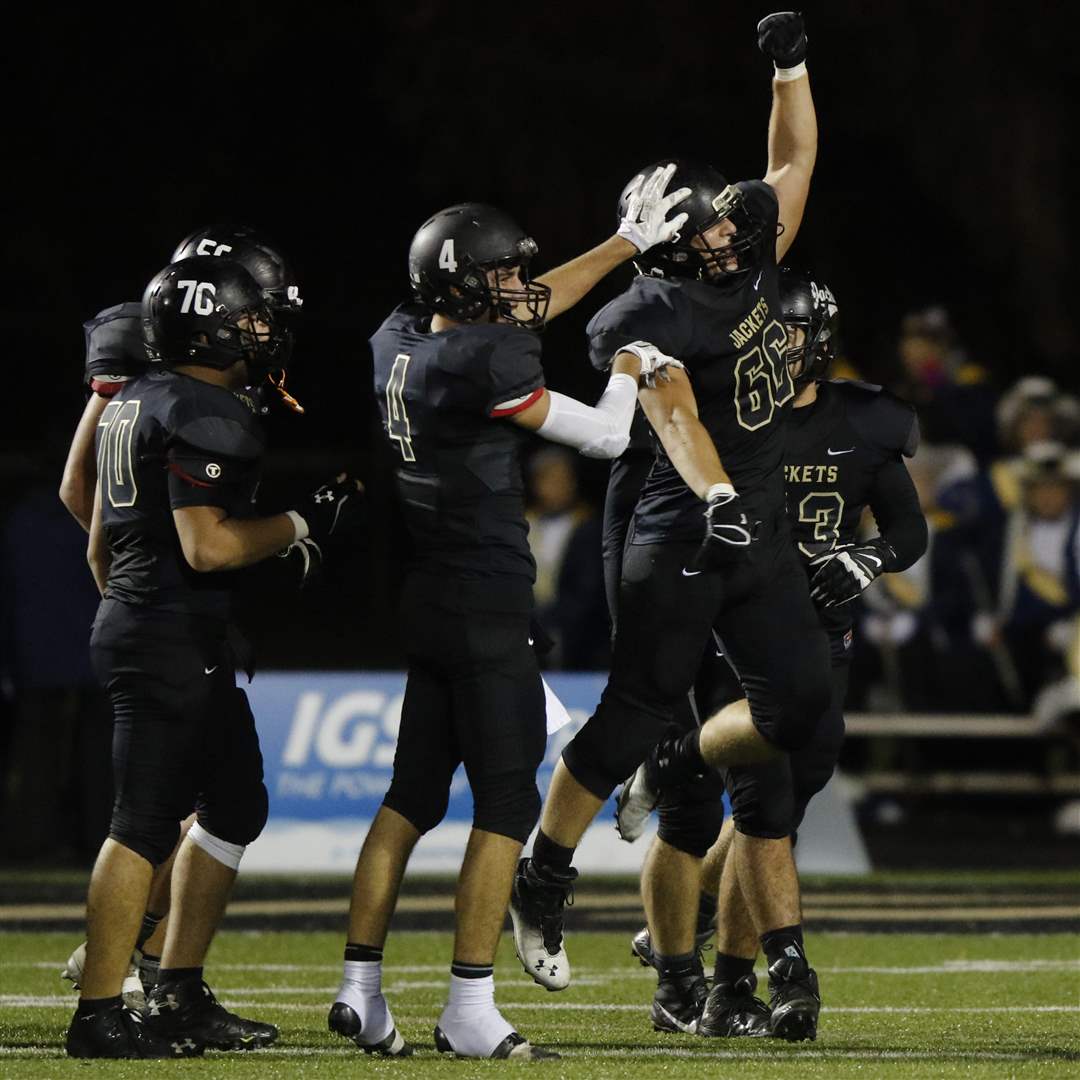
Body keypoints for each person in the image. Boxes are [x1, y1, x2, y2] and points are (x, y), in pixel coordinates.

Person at [508, 7, 824, 1040]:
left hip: (756, 524)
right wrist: (723, 498)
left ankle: (681, 758)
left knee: (799, 708)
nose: (734, 229)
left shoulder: (749, 252)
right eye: (710, 227)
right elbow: (672, 411)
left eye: (730, 219)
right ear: (673, 248)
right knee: (635, 707)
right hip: (679, 525)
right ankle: (543, 873)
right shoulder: (648, 311)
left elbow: (793, 161)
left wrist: (789, 69)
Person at [328, 177, 688, 1061]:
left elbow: (520, 314)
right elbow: (605, 438)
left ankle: (360, 990)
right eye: (498, 279)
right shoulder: (483, 364)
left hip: (426, 592)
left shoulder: (398, 339)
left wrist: (619, 250)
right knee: (506, 804)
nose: (518, 291)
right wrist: (629, 369)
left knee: (409, 799)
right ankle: (468, 1009)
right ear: (461, 290)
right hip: (484, 599)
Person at [66, 254, 362, 1058]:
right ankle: (98, 1011)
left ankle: (176, 989)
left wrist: (131, 612)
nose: (268, 333)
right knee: (141, 826)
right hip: (170, 634)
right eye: (256, 318)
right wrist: (301, 525)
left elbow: (95, 528)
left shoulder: (134, 398)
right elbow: (208, 547)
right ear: (213, 324)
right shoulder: (206, 410)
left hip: (150, 626)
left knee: (235, 804)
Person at [624, 268, 928, 1041]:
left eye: (787, 336)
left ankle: (693, 902)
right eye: (765, 337)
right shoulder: (723, 417)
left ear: (819, 342)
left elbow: (907, 529)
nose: (775, 350)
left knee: (788, 801)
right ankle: (765, 976)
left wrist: (868, 559)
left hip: (824, 639)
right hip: (740, 630)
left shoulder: (864, 421)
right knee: (764, 811)